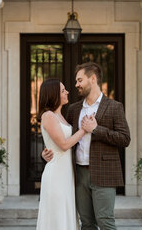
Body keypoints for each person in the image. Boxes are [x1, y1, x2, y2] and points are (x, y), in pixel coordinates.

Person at [42, 62, 131, 230]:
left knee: (105, 221)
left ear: (93, 79)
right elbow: (62, 137)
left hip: (104, 173)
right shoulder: (74, 109)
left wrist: (96, 129)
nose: (76, 85)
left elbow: (125, 139)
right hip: (78, 173)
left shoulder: (114, 107)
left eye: (79, 80)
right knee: (86, 223)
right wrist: (46, 153)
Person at [36, 78, 87, 230]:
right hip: (56, 175)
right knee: (57, 217)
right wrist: (84, 130)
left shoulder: (61, 116)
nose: (67, 92)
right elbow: (64, 145)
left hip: (66, 174)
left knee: (66, 214)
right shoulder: (48, 116)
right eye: (63, 90)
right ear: (54, 94)